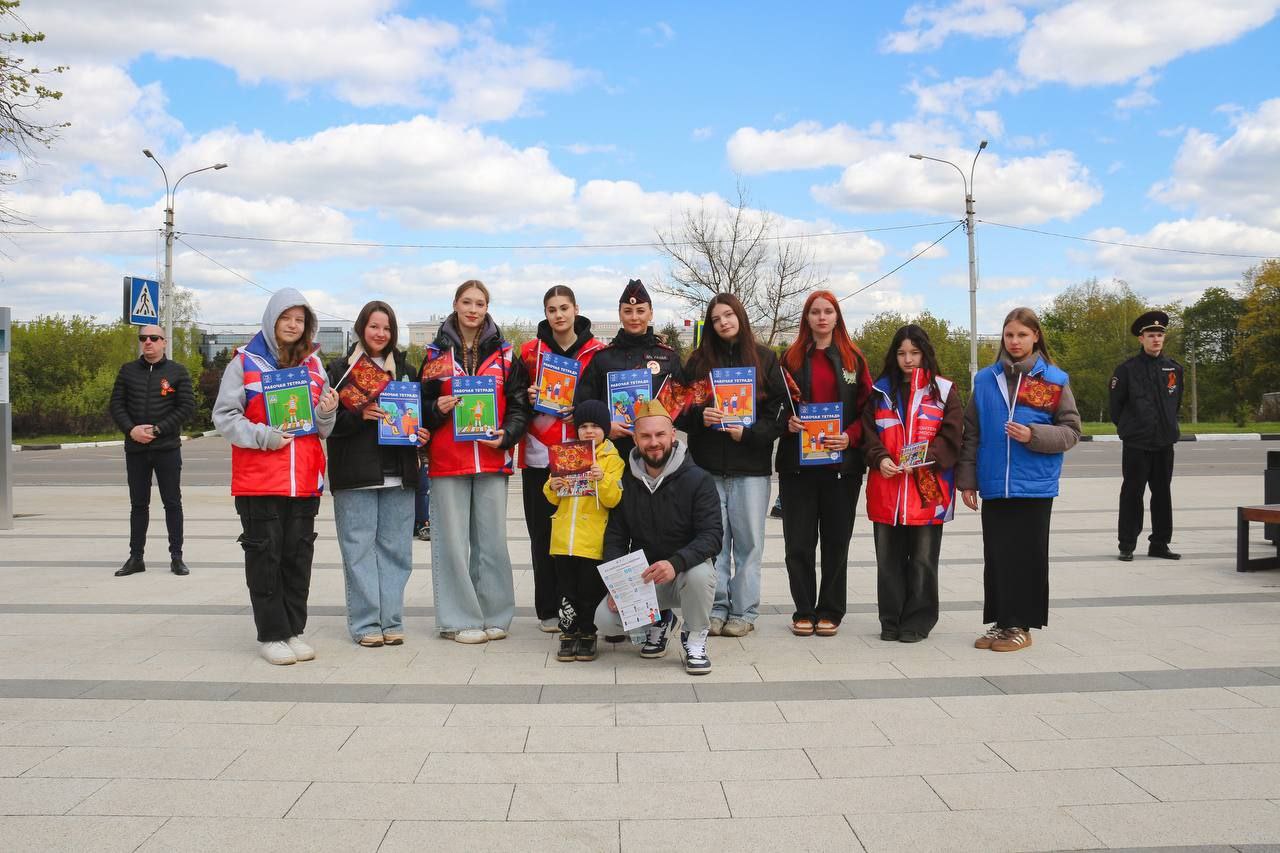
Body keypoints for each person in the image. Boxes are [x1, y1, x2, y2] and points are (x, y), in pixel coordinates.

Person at [212, 289, 339, 665]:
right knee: (265, 558)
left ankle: (293, 630)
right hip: (260, 480)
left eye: (300, 320)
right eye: (286, 318)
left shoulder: (315, 366)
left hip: (304, 480)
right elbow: (225, 416)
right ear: (272, 320)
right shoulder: (245, 362)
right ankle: (271, 633)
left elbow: (322, 427)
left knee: (297, 558)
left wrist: (328, 412)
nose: (293, 325)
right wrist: (263, 436)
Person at [957, 307, 1081, 653]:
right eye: (1009, 335)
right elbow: (972, 433)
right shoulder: (985, 380)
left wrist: (1033, 435)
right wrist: (968, 481)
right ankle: (1001, 623)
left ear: (1035, 337)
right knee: (997, 556)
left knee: (1027, 556)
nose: (1015, 341)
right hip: (995, 483)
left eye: (1022, 335)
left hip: (1034, 485)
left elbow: (1071, 431)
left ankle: (1021, 626)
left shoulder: (1053, 379)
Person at [420, 280, 530, 644]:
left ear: (487, 307)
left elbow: (518, 404)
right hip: (448, 459)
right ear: (454, 304)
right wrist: (436, 409)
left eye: (479, 303)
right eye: (466, 301)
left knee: (492, 543)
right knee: (452, 543)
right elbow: (420, 407)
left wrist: (508, 434)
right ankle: (457, 619)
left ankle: (495, 614)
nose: (472, 308)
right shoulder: (435, 353)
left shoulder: (504, 354)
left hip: (491, 458)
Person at [680, 293, 785, 637]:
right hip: (707, 467)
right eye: (716, 318)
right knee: (715, 543)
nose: (723, 322)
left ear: (740, 315)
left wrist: (751, 435)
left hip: (750, 469)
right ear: (709, 325)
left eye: (728, 315)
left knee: (749, 543)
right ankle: (717, 608)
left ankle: (745, 611)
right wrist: (700, 415)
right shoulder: (697, 363)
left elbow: (779, 415)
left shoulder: (766, 360)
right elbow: (677, 409)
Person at [325, 301, 429, 648]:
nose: (380, 333)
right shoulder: (339, 370)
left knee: (397, 550)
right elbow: (325, 425)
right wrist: (359, 415)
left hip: (399, 474)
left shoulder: (406, 371)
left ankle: (391, 619)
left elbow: (417, 418)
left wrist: (420, 433)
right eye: (373, 326)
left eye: (386, 328)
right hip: (355, 475)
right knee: (358, 550)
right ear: (361, 328)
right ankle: (366, 622)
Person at [595, 400, 722, 674]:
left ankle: (695, 636)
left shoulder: (699, 479)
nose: (654, 442)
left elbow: (712, 536)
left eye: (660, 434)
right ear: (636, 439)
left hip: (685, 573)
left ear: (672, 435)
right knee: (605, 621)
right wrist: (618, 585)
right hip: (646, 578)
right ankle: (662, 620)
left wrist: (675, 563)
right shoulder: (626, 482)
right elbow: (616, 536)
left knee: (700, 573)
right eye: (646, 436)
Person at [775, 290, 872, 638]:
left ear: (837, 317)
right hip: (798, 467)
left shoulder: (853, 360)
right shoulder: (790, 358)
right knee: (798, 543)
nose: (821, 317)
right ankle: (803, 609)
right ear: (806, 318)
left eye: (828, 311)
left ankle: (831, 609)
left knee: (835, 542)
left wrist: (850, 437)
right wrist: (786, 422)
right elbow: (776, 403)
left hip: (840, 468)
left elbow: (868, 410)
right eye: (815, 312)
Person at [862, 325, 963, 643]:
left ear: (925, 354)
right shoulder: (879, 392)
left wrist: (924, 458)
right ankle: (890, 620)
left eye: (914, 353)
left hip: (928, 491)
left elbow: (953, 436)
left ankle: (918, 620)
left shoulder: (944, 391)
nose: (908, 359)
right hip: (887, 488)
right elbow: (867, 434)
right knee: (887, 560)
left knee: (922, 559)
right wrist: (879, 458)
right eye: (902, 353)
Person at [519, 285, 606, 633]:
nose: (558, 315)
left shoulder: (597, 352)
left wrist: (583, 412)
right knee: (542, 535)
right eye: (552, 309)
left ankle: (588, 607)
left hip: (583, 455)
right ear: (545, 313)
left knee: (586, 534)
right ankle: (548, 609)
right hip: (540, 456)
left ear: (576, 309)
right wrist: (526, 397)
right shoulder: (528, 353)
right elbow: (510, 401)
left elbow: (604, 401)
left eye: (564, 308)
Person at [109, 323, 196, 577]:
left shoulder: (177, 372)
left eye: (154, 338)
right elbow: (116, 406)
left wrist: (158, 430)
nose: (148, 342)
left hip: (166, 448)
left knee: (172, 503)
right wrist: (131, 430)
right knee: (138, 505)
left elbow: (186, 407)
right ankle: (136, 557)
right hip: (136, 449)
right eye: (143, 338)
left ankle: (177, 557)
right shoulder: (127, 372)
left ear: (164, 342)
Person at [543, 399, 624, 662]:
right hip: (564, 538)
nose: (589, 431)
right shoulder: (567, 453)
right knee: (566, 590)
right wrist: (552, 485)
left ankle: (588, 633)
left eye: (596, 426)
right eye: (584, 426)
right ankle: (568, 633)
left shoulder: (613, 459)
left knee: (589, 590)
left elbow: (614, 499)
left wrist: (603, 479)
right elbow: (551, 496)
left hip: (592, 539)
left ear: (606, 429)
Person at [573, 279, 681, 463]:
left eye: (640, 311)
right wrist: (605, 427)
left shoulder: (668, 358)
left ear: (650, 313)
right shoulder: (602, 358)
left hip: (656, 454)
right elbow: (583, 405)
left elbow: (682, 404)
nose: (634, 317)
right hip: (612, 455)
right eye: (628, 311)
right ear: (620, 314)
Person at [1110, 310, 1184, 562]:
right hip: (1137, 443)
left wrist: (1167, 426)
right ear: (1141, 338)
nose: (1156, 339)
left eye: (1160, 335)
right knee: (1133, 493)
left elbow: (1176, 403)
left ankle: (1160, 543)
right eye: (1151, 335)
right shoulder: (1127, 370)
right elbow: (1116, 407)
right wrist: (1130, 428)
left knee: (1162, 493)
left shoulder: (1173, 368)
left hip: (1164, 442)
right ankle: (1127, 544)